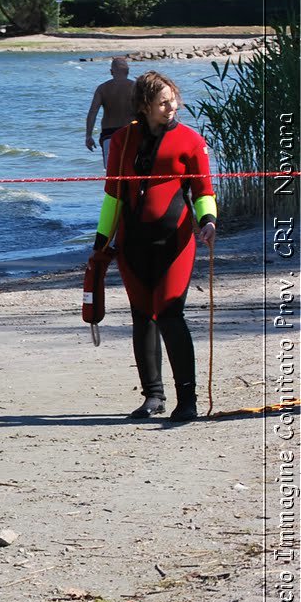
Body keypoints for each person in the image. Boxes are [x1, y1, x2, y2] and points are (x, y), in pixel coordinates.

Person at [91, 72, 217, 421]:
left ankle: (187, 400)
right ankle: (154, 396)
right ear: (145, 105)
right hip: (133, 243)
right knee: (142, 315)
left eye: (174, 98)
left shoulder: (191, 141)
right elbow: (113, 197)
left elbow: (204, 192)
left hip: (175, 242)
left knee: (170, 313)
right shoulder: (121, 140)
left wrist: (208, 221)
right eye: (163, 102)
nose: (172, 106)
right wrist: (101, 244)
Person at [85, 57, 134, 168]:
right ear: (128, 71)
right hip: (131, 132)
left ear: (111, 72)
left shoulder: (102, 89)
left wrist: (88, 136)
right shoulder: (135, 87)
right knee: (131, 169)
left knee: (111, 171)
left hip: (109, 133)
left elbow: (93, 113)